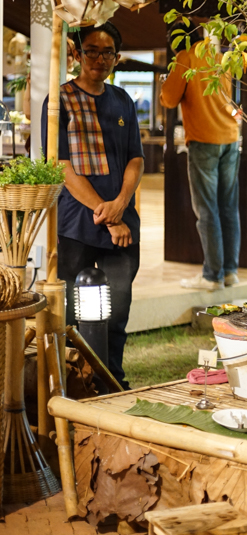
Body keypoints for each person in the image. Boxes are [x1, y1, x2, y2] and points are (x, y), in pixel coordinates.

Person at [42, 22, 143, 389]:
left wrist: (120, 205)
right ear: (78, 54)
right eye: (92, 51)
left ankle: (113, 380)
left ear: (116, 58)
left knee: (116, 313)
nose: (99, 59)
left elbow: (136, 158)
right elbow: (62, 166)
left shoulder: (122, 101)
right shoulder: (59, 101)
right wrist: (106, 211)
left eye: (107, 53)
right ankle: (75, 382)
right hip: (75, 226)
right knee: (71, 313)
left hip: (123, 224)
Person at [160, 25, 241, 291]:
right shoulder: (218, 57)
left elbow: (169, 99)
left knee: (207, 210)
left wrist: (166, 82)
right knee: (228, 208)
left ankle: (212, 276)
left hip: (204, 140)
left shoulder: (185, 58)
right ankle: (230, 272)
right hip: (230, 138)